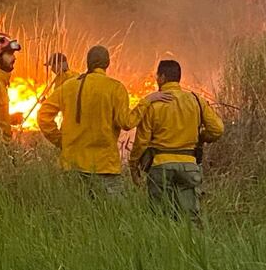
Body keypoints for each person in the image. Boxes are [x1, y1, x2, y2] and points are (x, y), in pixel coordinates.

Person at [37, 45, 173, 196]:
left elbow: (43, 115)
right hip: (105, 167)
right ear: (107, 63)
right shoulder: (115, 88)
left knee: (74, 214)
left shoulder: (68, 86)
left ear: (87, 63)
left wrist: (60, 141)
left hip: (72, 164)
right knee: (111, 213)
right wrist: (146, 102)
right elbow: (127, 123)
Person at [129, 60, 224, 223]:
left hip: (160, 166)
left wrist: (133, 166)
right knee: (190, 220)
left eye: (157, 76)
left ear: (162, 78)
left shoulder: (154, 104)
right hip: (189, 166)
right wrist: (201, 137)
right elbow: (218, 129)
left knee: (160, 220)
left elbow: (142, 141)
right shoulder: (195, 100)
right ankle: (192, 246)